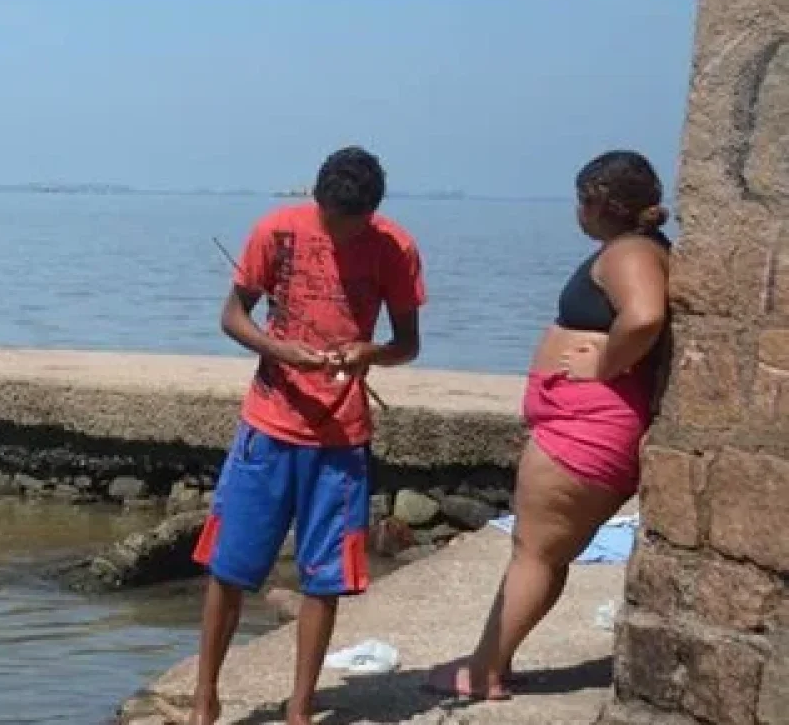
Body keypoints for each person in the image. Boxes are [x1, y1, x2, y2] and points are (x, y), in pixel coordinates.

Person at [187, 146, 426, 725]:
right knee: (229, 567)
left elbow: (407, 344)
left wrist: (369, 352)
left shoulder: (396, 248)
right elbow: (233, 316)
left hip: (341, 440)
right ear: (316, 200)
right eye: (331, 221)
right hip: (268, 426)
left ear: (372, 213)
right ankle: (204, 697)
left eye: (353, 226)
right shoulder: (276, 231)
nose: (340, 235)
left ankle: (300, 707)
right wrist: (280, 349)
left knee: (324, 578)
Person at [427, 151, 671, 701]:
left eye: (580, 202)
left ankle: (484, 672)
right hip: (581, 423)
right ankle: (490, 660)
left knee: (535, 552)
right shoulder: (636, 248)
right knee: (543, 551)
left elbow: (645, 316)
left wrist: (601, 365)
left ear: (598, 204)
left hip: (587, 427)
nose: (576, 212)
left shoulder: (629, 252)